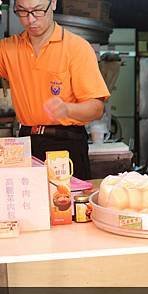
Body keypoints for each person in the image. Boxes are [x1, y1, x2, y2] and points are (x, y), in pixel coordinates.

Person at [0, 0, 110, 179]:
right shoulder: (8, 49)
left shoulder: (77, 48)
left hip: (66, 143)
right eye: (22, 12)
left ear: (53, 3)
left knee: (65, 203)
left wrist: (67, 109)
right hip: (26, 144)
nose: (30, 20)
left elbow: (96, 108)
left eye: (37, 11)